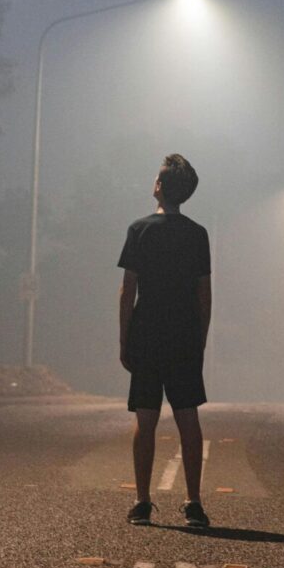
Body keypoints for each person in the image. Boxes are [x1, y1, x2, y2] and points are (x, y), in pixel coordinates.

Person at [117, 153, 212, 527]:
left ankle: (142, 501)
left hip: (147, 334)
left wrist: (124, 340)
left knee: (146, 419)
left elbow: (128, 292)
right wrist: (199, 340)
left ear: (159, 186)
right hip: (184, 337)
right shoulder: (197, 234)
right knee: (188, 419)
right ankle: (193, 502)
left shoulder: (139, 230)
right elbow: (204, 295)